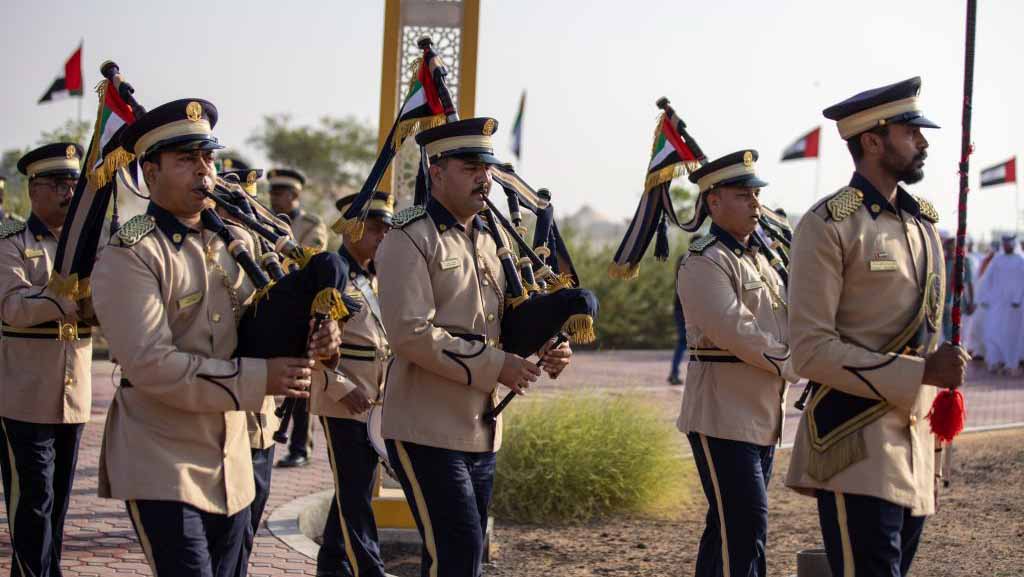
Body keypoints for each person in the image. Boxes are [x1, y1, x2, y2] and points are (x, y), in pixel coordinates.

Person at [90, 98, 341, 577]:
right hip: (162, 458)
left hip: (233, 456)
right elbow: (150, 364)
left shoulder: (237, 242)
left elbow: (266, 322)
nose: (204, 171)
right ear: (150, 171)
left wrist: (320, 333)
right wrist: (259, 375)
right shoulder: (131, 253)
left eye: (207, 158)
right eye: (186, 160)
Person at [786, 77, 968, 577]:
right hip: (854, 439)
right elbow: (810, 351)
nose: (924, 142)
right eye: (911, 131)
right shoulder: (829, 225)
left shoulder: (922, 225)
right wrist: (921, 373)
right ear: (872, 140)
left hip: (914, 444)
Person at [376, 117, 572, 576]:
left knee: (460, 556)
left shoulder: (491, 239)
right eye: (470, 166)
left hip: (480, 429)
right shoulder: (409, 237)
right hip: (424, 427)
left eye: (487, 166)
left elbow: (510, 318)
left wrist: (550, 344)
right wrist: (495, 365)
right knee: (458, 552)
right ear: (437, 170)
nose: (484, 177)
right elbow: (409, 333)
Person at [676, 149, 799, 577]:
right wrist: (798, 363)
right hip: (722, 416)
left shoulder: (763, 259)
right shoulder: (703, 261)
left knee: (728, 528)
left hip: (762, 415)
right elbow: (737, 331)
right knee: (745, 528)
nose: (755, 203)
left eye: (756, 195)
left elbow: (786, 319)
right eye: (744, 195)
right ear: (714, 202)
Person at [0, 142, 92, 577]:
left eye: (74, 182)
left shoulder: (88, 248)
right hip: (24, 394)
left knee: (57, 500)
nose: (68, 192)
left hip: (72, 395)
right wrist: (71, 299)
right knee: (32, 500)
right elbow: (13, 307)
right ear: (33, 189)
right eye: (58, 183)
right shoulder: (10, 242)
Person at [311, 191, 394, 577]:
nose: (382, 236)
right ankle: (369, 569)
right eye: (375, 228)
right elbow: (312, 346)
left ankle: (332, 563)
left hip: (375, 404)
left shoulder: (377, 279)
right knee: (356, 493)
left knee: (355, 488)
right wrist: (343, 388)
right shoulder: (333, 277)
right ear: (351, 230)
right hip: (343, 402)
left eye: (386, 229)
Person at [216, 158, 280, 543]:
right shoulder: (209, 253)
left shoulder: (268, 251)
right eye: (234, 211)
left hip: (262, 413)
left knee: (248, 523)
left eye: (248, 211)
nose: (243, 221)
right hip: (222, 405)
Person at [267, 166, 329, 469]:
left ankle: (300, 446)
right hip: (273, 306)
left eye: (280, 193)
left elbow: (310, 261)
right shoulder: (263, 220)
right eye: (272, 193)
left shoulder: (310, 224)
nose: (274, 198)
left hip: (303, 309)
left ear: (294, 195)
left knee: (302, 381)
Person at [977, 235, 1024, 375]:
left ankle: (1010, 364)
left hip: (1014, 306)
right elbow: (987, 279)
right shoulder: (997, 260)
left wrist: (1018, 298)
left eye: (1008, 243)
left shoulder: (1020, 261)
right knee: (992, 331)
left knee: (1011, 336)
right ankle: (994, 361)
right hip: (996, 304)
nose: (1006, 246)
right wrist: (984, 297)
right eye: (1004, 244)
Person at [941, 231, 975, 341]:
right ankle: (948, 346)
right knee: (945, 325)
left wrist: (971, 302)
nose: (950, 250)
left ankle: (954, 347)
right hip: (943, 298)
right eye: (948, 247)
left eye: (952, 247)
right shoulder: (942, 260)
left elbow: (969, 282)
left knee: (956, 325)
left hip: (958, 299)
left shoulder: (964, 261)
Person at [668, 253, 687, 385]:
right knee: (684, 341)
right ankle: (674, 373)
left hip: (679, 307)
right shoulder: (692, 259)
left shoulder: (682, 258)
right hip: (686, 307)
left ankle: (674, 373)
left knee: (682, 341)